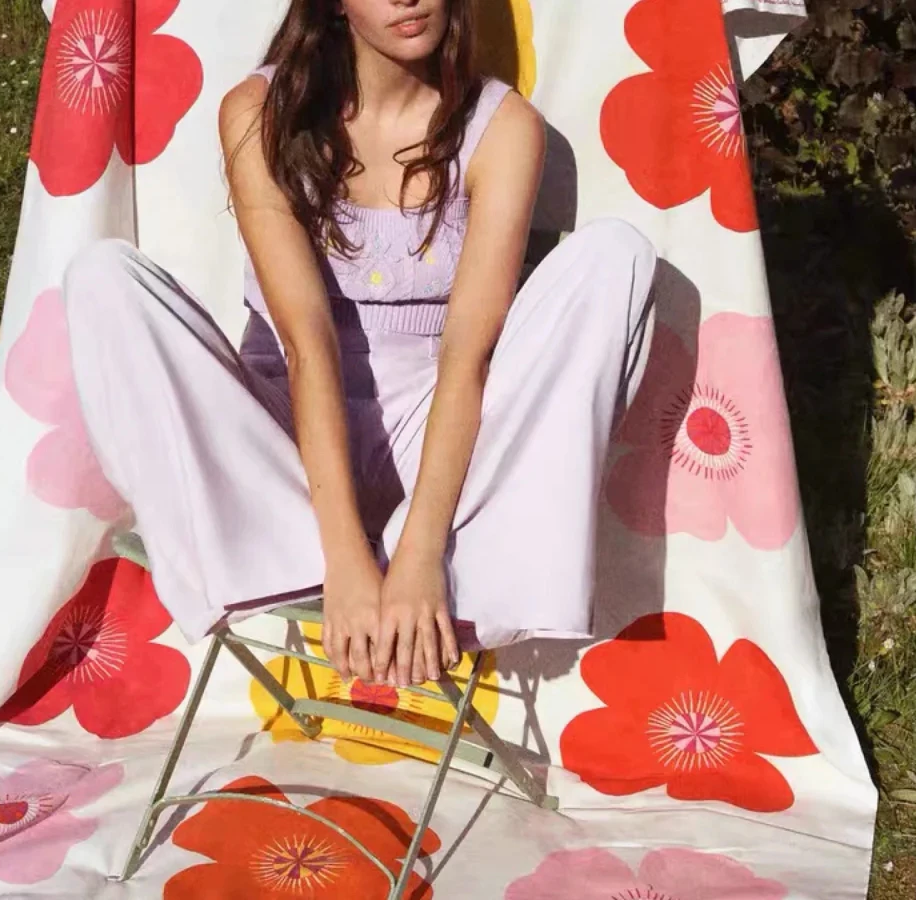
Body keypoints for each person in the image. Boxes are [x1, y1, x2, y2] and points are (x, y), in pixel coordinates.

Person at [63, 0, 657, 694]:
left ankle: (449, 564)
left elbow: (468, 356)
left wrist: (419, 553)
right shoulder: (258, 112)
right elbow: (306, 343)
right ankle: (298, 555)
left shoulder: (501, 128)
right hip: (287, 438)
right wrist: (345, 561)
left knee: (615, 256)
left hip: (437, 440)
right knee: (103, 278)